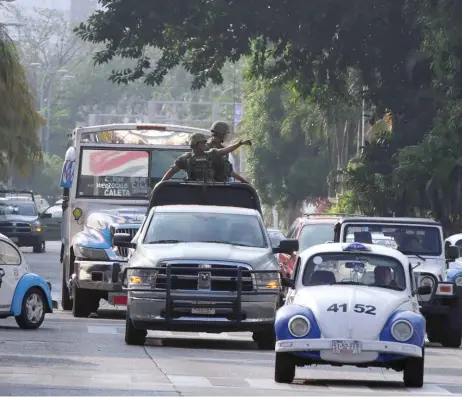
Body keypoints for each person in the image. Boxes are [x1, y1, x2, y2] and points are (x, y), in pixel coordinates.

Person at [161, 132, 251, 182]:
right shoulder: (185, 159)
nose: (204, 144)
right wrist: (161, 184)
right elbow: (172, 171)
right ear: (195, 144)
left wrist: (239, 144)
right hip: (191, 189)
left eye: (205, 142)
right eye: (202, 143)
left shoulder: (211, 154)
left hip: (212, 189)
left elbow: (225, 151)